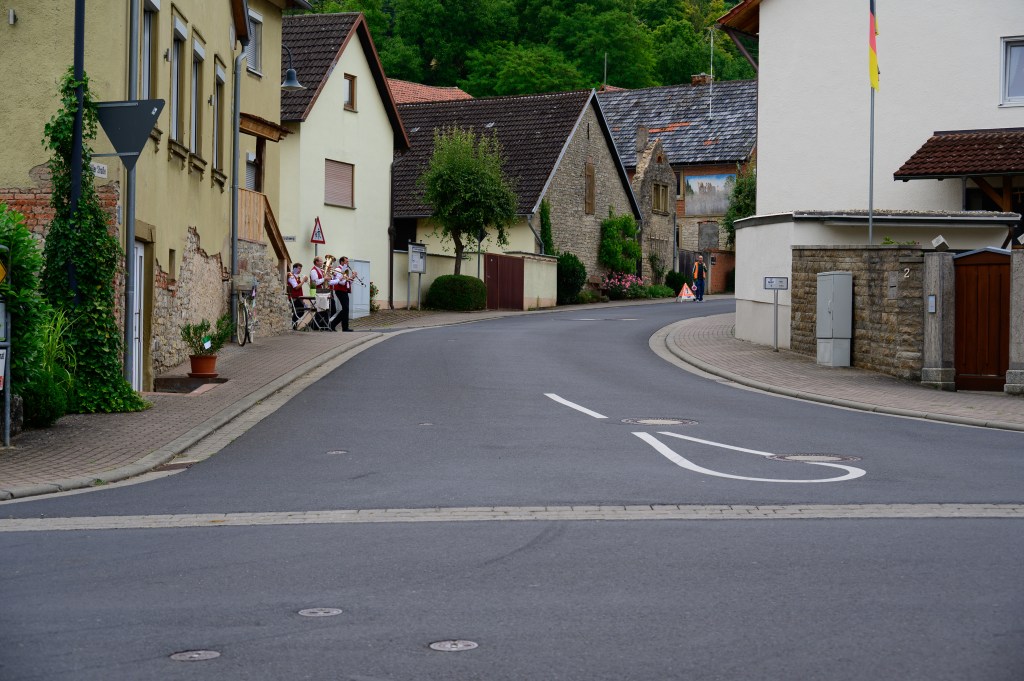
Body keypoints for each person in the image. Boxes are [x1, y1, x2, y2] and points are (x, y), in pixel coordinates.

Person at [328, 256, 354, 332]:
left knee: (346, 309)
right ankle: (335, 325)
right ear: (342, 262)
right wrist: (347, 279)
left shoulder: (345, 270)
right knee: (345, 309)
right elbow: (341, 282)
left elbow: (347, 283)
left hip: (344, 291)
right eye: (346, 261)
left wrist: (353, 277)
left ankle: (343, 327)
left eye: (348, 261)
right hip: (340, 291)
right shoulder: (338, 269)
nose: (348, 263)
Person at [308, 256, 328, 330]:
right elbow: (315, 282)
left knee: (323, 309)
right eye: (320, 261)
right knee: (320, 309)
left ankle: (318, 326)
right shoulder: (313, 271)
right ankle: (315, 325)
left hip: (320, 291)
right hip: (315, 291)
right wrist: (324, 278)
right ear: (316, 262)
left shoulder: (320, 270)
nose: (322, 263)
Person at [287, 263, 309, 328]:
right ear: (294, 269)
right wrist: (303, 281)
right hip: (294, 298)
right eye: (299, 268)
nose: (300, 270)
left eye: (300, 268)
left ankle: (294, 323)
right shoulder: (291, 276)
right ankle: (293, 323)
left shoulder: (297, 277)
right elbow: (296, 287)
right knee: (300, 311)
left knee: (301, 311)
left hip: (298, 298)